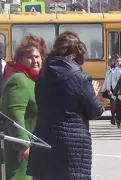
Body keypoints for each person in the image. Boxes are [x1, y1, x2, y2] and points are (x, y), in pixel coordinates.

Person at [26, 31, 105, 180]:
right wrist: (93, 94)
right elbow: (96, 111)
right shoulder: (80, 78)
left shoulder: (43, 74)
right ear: (76, 55)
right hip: (70, 148)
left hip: (43, 139)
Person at [1, 35, 47, 180]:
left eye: (37, 56)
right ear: (20, 59)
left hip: (35, 146)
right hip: (22, 151)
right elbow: (14, 114)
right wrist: (23, 145)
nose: (35, 61)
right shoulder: (19, 80)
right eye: (29, 57)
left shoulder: (34, 79)